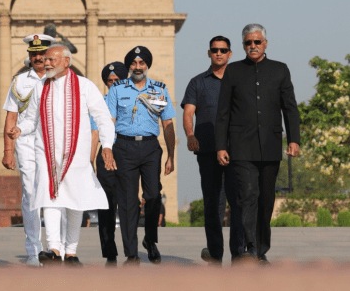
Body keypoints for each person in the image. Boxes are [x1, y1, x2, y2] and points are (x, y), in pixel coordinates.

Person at [8, 44, 116, 266]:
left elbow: (103, 117)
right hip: (46, 153)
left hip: (76, 154)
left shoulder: (84, 86)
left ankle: (71, 251)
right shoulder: (40, 87)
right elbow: (31, 119)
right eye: (45, 60)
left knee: (75, 201)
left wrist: (106, 145)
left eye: (51, 60)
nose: (46, 63)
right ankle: (54, 249)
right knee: (50, 198)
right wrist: (20, 129)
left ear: (66, 62)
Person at [216, 23, 300, 263]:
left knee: (266, 200)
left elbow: (290, 108)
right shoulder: (233, 71)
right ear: (243, 45)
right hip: (241, 147)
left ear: (265, 43)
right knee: (248, 195)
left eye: (257, 42)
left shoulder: (280, 70)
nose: (252, 46)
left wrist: (294, 139)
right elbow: (223, 112)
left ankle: (261, 249)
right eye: (248, 43)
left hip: (271, 145)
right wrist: (221, 145)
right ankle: (250, 249)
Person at [106, 45, 176, 264]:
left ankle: (150, 239)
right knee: (127, 202)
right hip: (124, 148)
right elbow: (109, 121)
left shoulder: (159, 89)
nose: (138, 67)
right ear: (129, 67)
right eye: (134, 63)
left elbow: (167, 123)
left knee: (153, 195)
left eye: (142, 63)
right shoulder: (117, 89)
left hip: (150, 148)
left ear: (147, 65)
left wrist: (171, 155)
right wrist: (107, 148)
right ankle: (131, 253)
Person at [181, 36, 245, 264]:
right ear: (209, 53)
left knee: (238, 202)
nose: (219, 53)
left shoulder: (240, 80)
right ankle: (215, 253)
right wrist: (190, 135)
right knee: (213, 203)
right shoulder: (198, 82)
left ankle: (239, 252)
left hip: (237, 151)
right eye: (214, 50)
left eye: (223, 50)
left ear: (230, 53)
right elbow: (188, 113)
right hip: (207, 150)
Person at [2, 33, 55, 266]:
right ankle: (34, 250)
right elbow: (11, 116)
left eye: (42, 54)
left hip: (53, 142)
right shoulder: (20, 81)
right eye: (34, 54)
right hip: (26, 141)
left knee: (55, 193)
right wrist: (7, 149)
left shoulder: (60, 79)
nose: (38, 58)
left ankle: (57, 247)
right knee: (31, 194)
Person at [93, 61, 128, 266]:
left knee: (128, 204)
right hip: (106, 155)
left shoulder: (133, 98)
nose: (114, 84)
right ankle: (110, 252)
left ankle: (130, 250)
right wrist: (89, 161)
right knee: (105, 205)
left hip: (128, 154)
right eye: (110, 81)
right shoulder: (100, 102)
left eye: (118, 80)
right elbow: (94, 132)